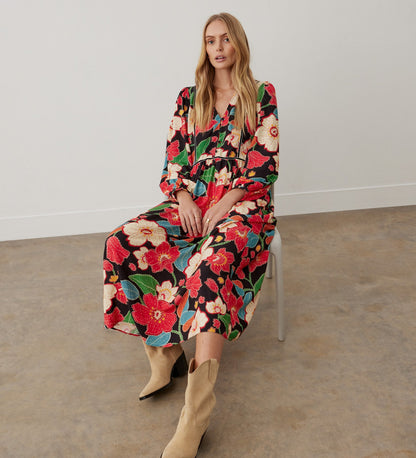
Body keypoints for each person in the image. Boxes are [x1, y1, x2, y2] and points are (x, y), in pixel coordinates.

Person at [103, 11, 279, 457]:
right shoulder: (189, 98)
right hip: (192, 200)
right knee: (123, 241)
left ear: (238, 43)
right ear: (204, 48)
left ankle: (196, 416)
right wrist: (183, 199)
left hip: (244, 205)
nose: (218, 47)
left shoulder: (261, 95)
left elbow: (265, 162)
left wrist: (225, 204)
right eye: (210, 40)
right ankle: (165, 355)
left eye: (225, 39)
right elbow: (174, 160)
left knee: (209, 266)